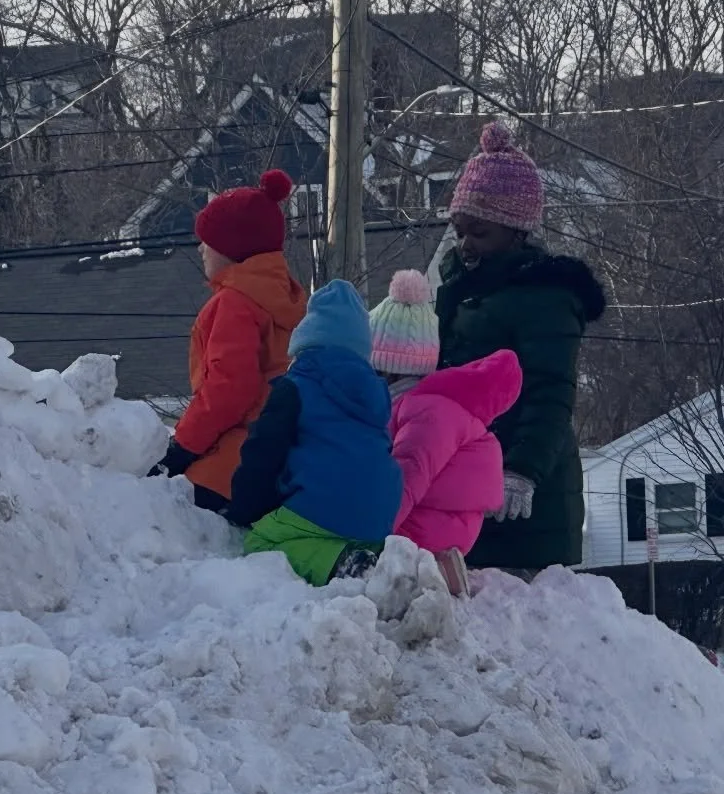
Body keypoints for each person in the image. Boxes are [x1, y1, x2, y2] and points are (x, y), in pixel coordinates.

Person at [437, 122, 608, 577]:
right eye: (459, 229)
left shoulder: (546, 297)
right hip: (467, 488)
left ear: (516, 231)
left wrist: (523, 471)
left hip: (526, 509)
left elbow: (549, 394)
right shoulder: (462, 289)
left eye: (479, 232)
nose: (465, 244)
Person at [225, 279, 402, 586]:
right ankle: (382, 563)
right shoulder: (375, 393)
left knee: (262, 544)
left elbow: (263, 451)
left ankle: (341, 564)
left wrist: (244, 509)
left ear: (304, 341)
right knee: (353, 534)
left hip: (324, 505)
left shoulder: (297, 387)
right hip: (381, 512)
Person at [149, 170, 307, 511]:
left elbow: (229, 388)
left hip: (232, 467)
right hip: (280, 460)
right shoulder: (288, 295)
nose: (201, 248)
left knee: (159, 510)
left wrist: (185, 447)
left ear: (234, 249)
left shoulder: (235, 302)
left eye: (209, 240)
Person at [369, 269, 523, 596]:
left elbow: (404, 482)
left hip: (433, 530)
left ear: (385, 367)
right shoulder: (417, 405)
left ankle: (433, 571)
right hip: (438, 520)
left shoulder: (425, 413)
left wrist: (366, 538)